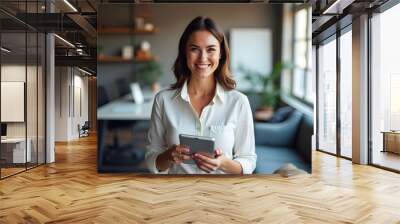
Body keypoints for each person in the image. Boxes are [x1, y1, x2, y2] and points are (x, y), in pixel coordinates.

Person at [145, 16, 256, 174]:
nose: (203, 58)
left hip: (222, 195)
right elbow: (151, 160)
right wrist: (168, 156)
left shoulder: (239, 102)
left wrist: (224, 164)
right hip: (175, 194)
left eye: (211, 49)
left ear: (221, 53)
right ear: (185, 52)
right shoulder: (163, 100)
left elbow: (248, 161)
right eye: (194, 49)